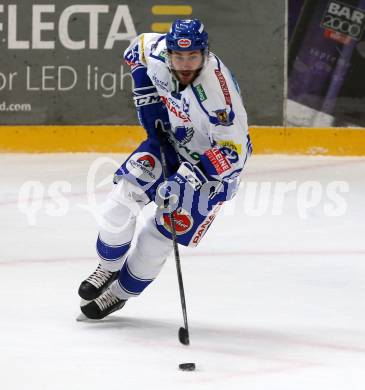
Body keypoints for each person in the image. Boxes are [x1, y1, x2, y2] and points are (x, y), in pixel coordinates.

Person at [78, 19, 252, 319]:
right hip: (169, 142)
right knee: (122, 199)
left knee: (159, 235)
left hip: (211, 172)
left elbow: (235, 154)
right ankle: (107, 268)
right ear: (169, 51)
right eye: (179, 57)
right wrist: (148, 100)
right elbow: (135, 50)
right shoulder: (156, 49)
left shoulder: (219, 97)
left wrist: (189, 179)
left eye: (193, 57)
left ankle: (119, 295)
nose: (185, 65)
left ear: (205, 54)